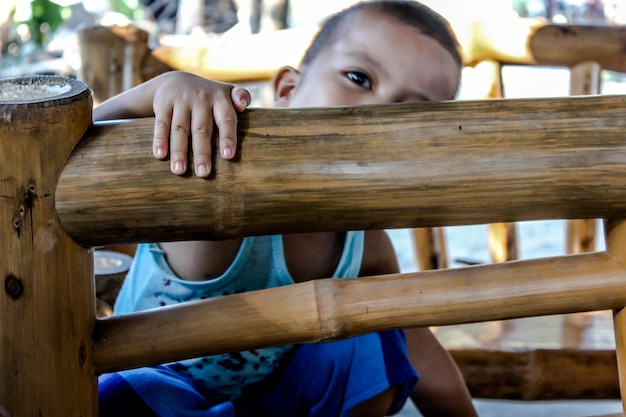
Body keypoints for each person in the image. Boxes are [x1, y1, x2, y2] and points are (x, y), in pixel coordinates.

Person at [94, 1, 477, 416]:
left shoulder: (365, 247)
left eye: (413, 111)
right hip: (160, 396)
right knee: (125, 391)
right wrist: (159, 92)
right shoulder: (217, 167)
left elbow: (422, 355)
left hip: (271, 401)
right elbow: (65, 159)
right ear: (287, 91)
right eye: (358, 78)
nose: (377, 112)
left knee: (372, 344)